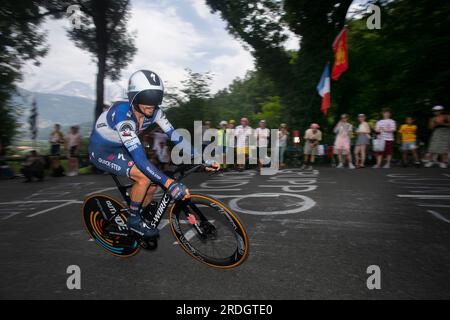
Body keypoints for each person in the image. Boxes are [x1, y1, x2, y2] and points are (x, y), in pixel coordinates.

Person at [88, 70, 219, 239]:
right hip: (102, 152)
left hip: (120, 147)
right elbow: (140, 159)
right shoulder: (122, 115)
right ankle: (134, 220)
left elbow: (175, 136)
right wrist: (170, 184)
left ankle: (136, 206)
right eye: (147, 99)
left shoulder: (155, 112)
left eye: (156, 98)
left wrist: (202, 158)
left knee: (152, 185)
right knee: (145, 177)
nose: (152, 104)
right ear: (133, 98)